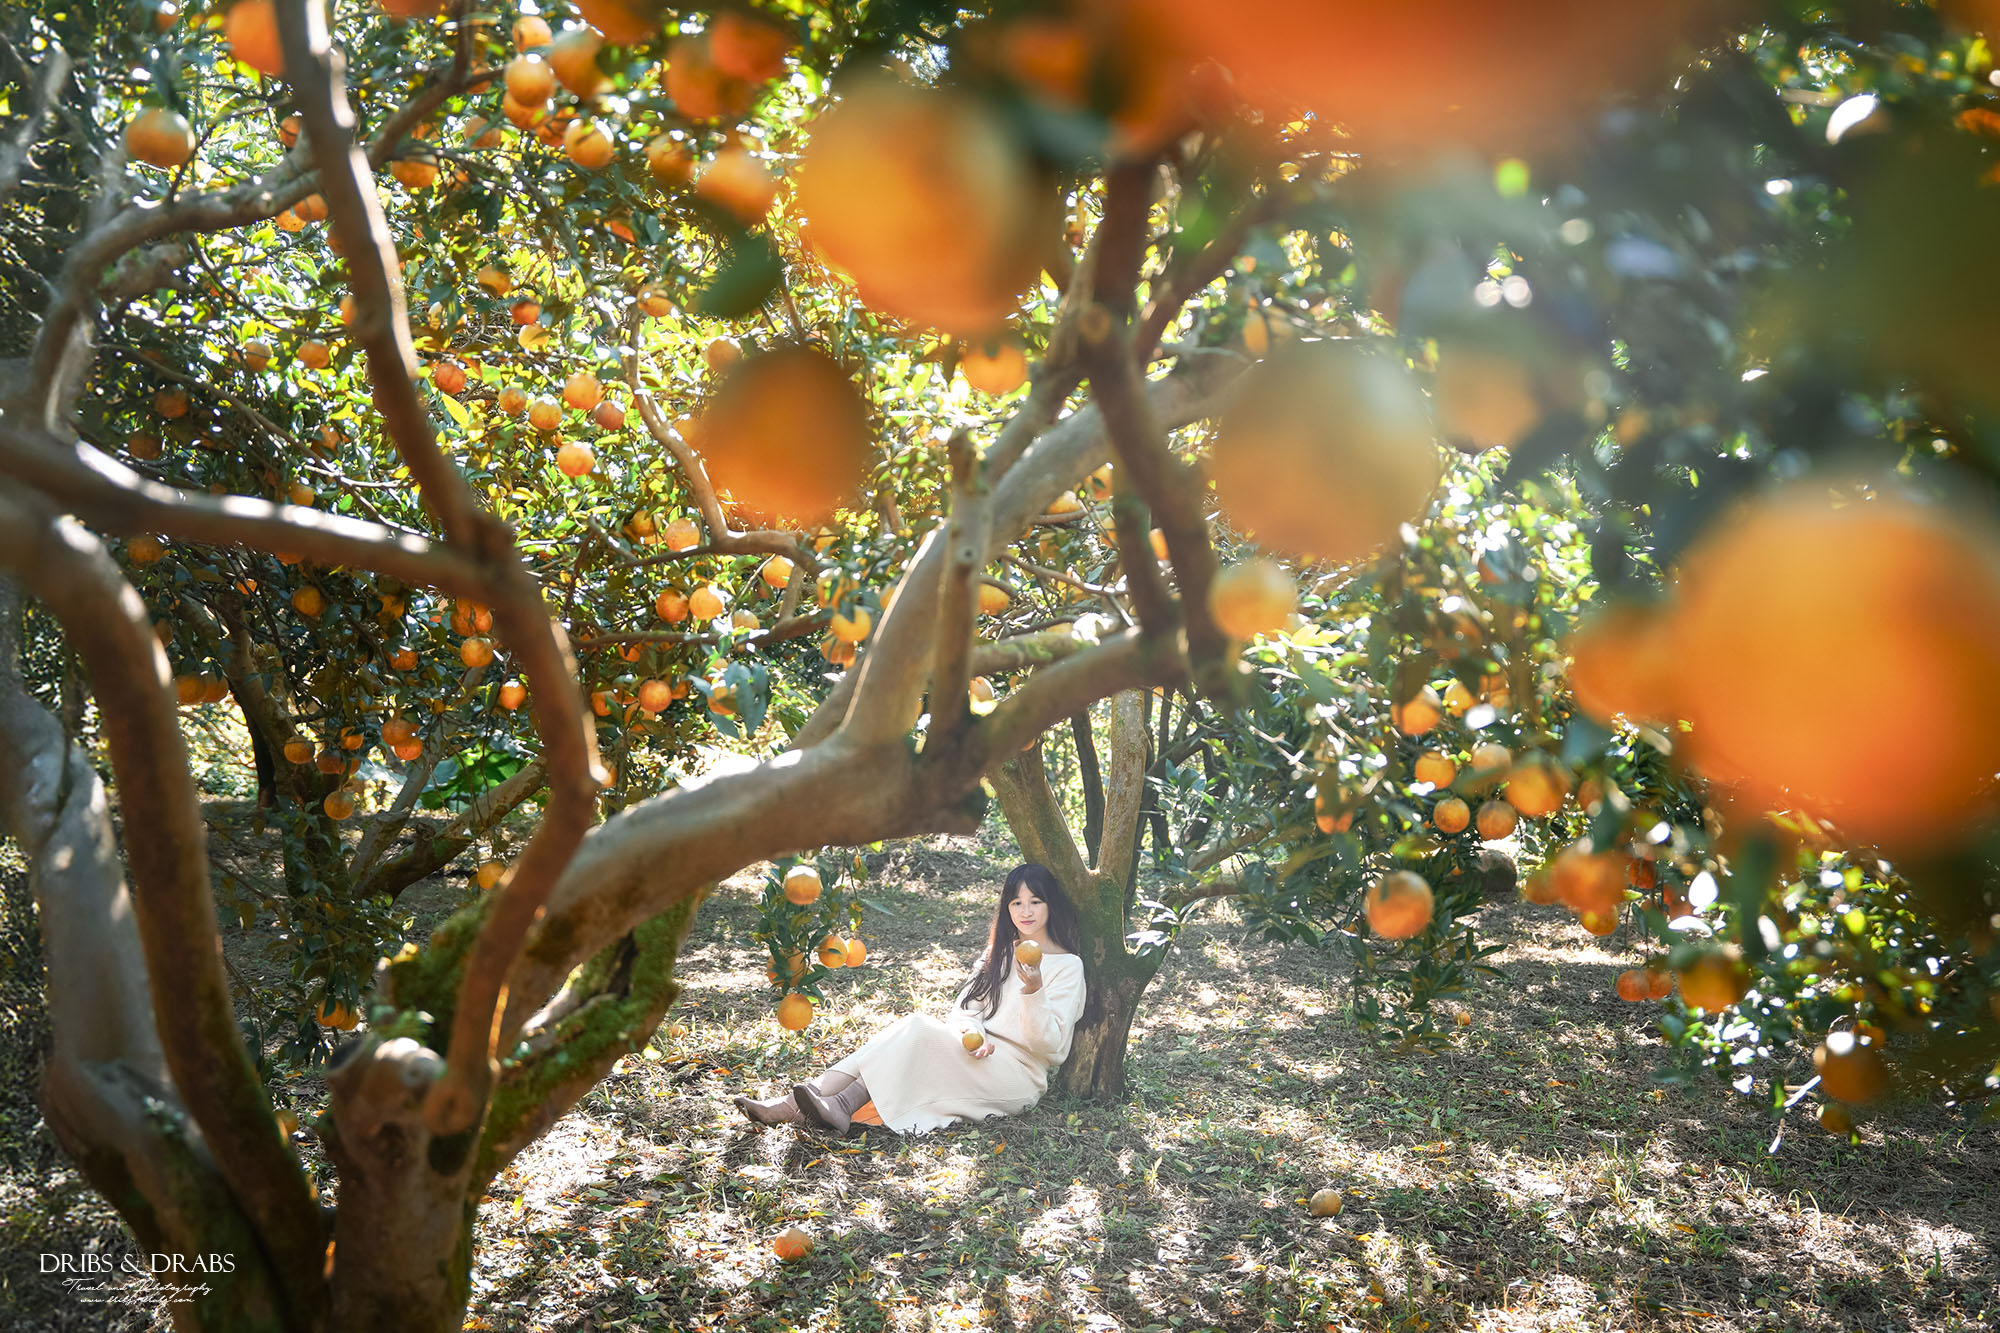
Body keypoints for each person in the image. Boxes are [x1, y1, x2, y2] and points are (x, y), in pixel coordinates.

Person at [735, 863, 1096, 1136]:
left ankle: (835, 1104)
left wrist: (1034, 992)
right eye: (1016, 902)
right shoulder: (1000, 954)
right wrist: (975, 1034)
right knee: (912, 1030)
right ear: (1007, 908)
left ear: (1051, 906)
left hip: (1017, 1075)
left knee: (917, 1027)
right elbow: (966, 1010)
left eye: (1036, 901)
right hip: (976, 1054)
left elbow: (1051, 1048)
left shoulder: (1066, 966)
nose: (1026, 911)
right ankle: (799, 1104)